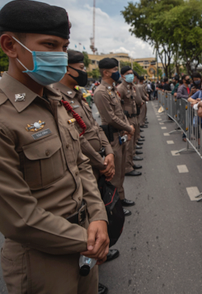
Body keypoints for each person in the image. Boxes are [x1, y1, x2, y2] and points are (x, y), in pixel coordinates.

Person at [0, 0, 109, 293]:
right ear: (10, 46)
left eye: (63, 46)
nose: (60, 56)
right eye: (49, 45)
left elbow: (80, 164)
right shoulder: (3, 116)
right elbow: (19, 218)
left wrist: (98, 214)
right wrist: (88, 239)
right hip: (40, 259)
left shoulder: (55, 101)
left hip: (86, 243)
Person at [52, 50, 120, 294]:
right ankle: (89, 266)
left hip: (97, 160)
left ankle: (96, 257)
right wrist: (102, 162)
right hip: (86, 164)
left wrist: (108, 151)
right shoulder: (56, 97)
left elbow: (93, 126)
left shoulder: (77, 95)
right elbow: (77, 139)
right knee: (86, 221)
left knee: (97, 212)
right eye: (80, 66)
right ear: (67, 68)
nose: (84, 71)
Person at [93, 58, 136, 216]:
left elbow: (121, 113)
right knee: (115, 173)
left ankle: (121, 197)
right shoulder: (100, 92)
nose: (117, 73)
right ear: (105, 72)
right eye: (114, 70)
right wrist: (128, 127)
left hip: (121, 134)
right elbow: (110, 118)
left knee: (121, 170)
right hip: (112, 136)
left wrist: (127, 129)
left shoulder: (111, 90)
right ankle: (113, 205)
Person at [117, 66, 142, 176]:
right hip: (127, 119)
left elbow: (136, 100)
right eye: (128, 73)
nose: (131, 75)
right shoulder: (120, 88)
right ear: (123, 76)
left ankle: (130, 163)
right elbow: (117, 105)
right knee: (128, 145)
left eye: (132, 73)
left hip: (134, 117)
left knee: (131, 144)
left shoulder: (131, 87)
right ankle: (127, 167)